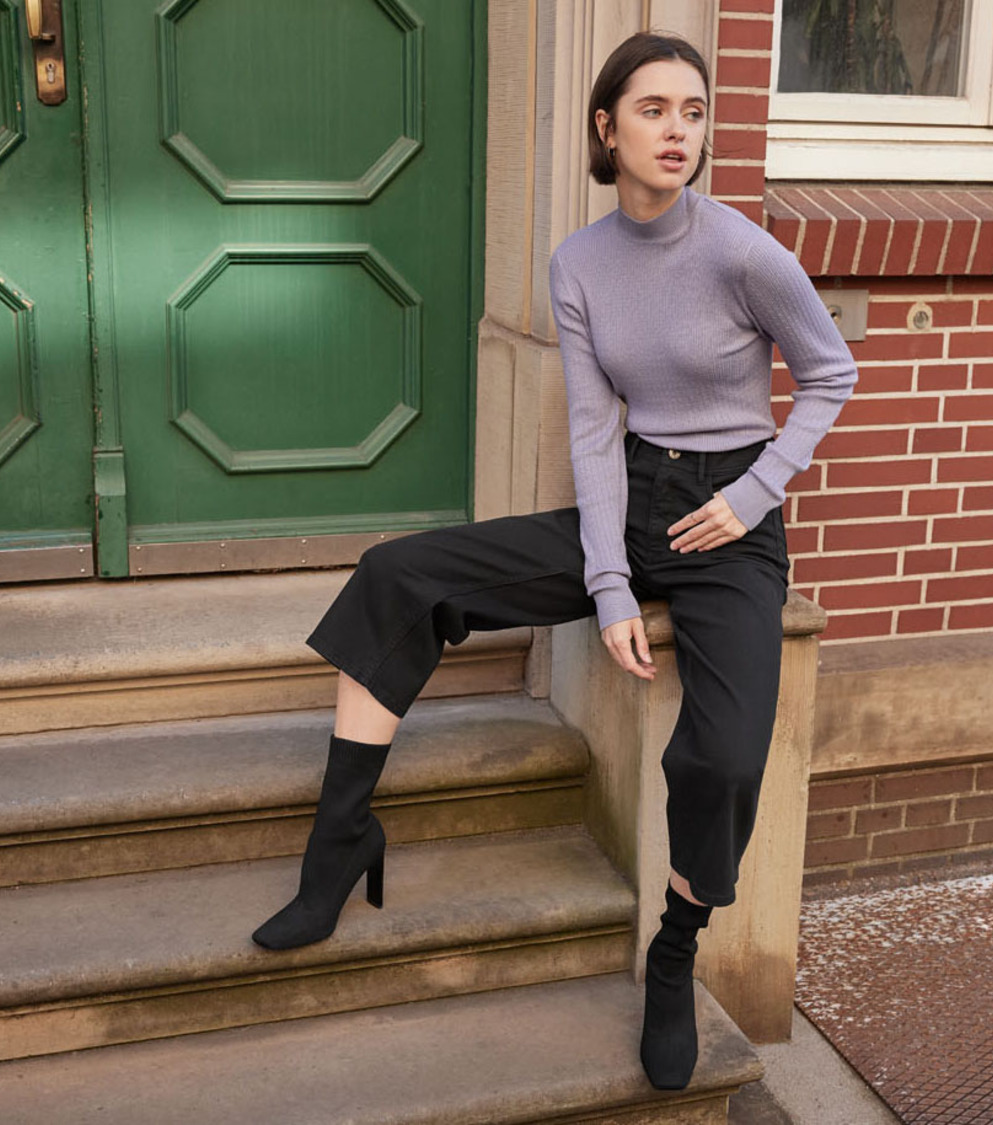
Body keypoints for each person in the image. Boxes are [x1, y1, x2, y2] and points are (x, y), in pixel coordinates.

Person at [250, 30, 858, 1092]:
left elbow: (830, 372)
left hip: (731, 526)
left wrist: (755, 493)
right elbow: (593, 430)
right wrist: (609, 583)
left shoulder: (743, 253)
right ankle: (338, 846)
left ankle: (674, 954)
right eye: (655, 109)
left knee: (722, 760)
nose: (679, 130)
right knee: (398, 575)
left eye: (694, 111)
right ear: (605, 128)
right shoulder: (579, 262)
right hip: (632, 500)